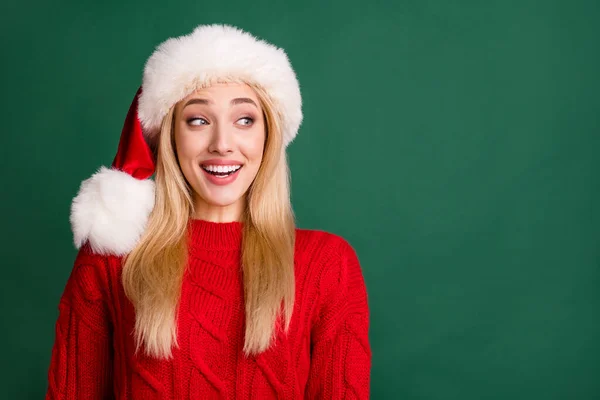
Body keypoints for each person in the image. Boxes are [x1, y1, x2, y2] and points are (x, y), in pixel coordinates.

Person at [45, 24, 371, 399]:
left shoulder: (328, 265)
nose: (222, 144)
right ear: (171, 137)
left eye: (244, 120)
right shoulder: (111, 261)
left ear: (268, 137)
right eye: (198, 120)